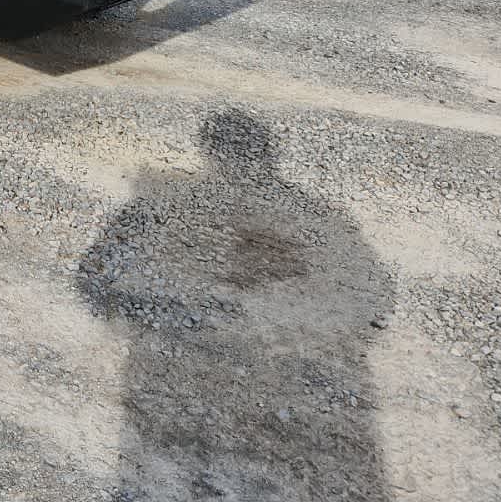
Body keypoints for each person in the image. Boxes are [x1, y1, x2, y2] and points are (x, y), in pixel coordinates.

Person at [79, 109, 393, 501]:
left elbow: (95, 291)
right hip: (278, 389)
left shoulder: (171, 201)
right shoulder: (319, 212)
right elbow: (376, 298)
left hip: (192, 379)